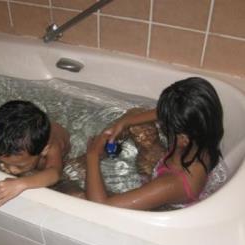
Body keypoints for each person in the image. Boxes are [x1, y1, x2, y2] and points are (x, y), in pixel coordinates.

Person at [85, 77, 227, 210]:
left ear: (184, 139)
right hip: (168, 165)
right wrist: (125, 122)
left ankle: (84, 163)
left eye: (165, 125)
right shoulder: (204, 135)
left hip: (161, 200)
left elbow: (101, 208)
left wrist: (92, 156)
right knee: (135, 114)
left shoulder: (170, 184)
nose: (160, 123)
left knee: (77, 195)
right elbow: (160, 113)